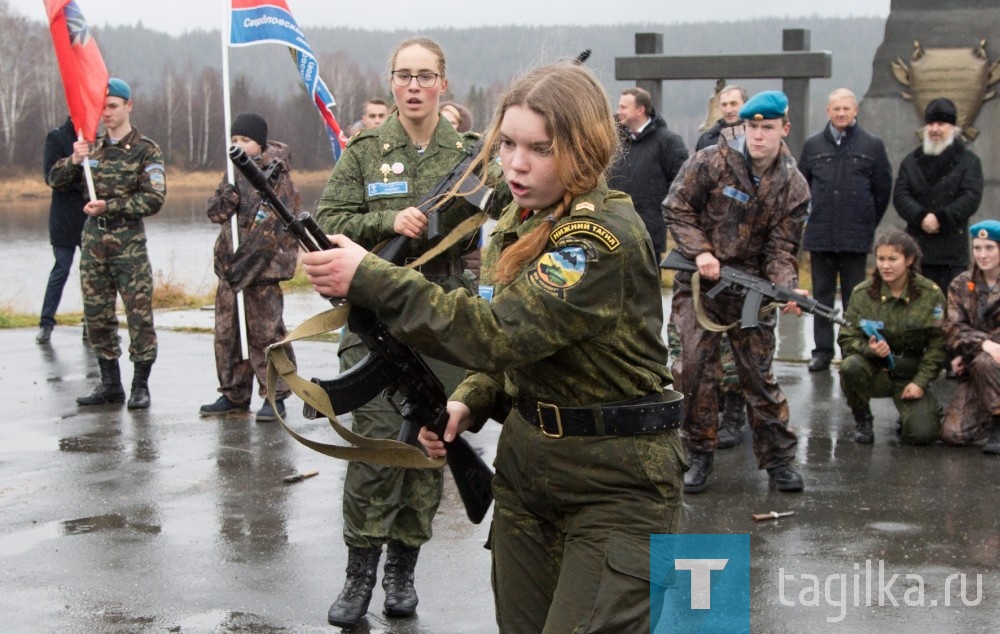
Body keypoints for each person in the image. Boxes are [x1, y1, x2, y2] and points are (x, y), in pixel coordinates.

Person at [303, 59, 683, 634]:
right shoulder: (522, 217)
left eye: (540, 148)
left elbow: (496, 329)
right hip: (528, 478)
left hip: (614, 486)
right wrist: (471, 401)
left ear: (586, 148)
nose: (515, 163)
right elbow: (521, 350)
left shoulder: (596, 239)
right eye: (506, 143)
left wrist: (370, 277)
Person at [312, 37, 507, 629]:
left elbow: (511, 199)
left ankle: (403, 571)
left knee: (431, 441)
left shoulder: (472, 154)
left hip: (445, 316)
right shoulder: (367, 151)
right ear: (392, 83)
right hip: (377, 315)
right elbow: (329, 224)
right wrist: (386, 221)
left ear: (443, 84)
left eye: (425, 76)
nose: (414, 85)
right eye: (404, 75)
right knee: (374, 447)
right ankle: (359, 575)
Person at [665, 90, 809, 494]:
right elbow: (676, 206)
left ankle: (779, 461)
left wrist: (787, 289)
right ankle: (697, 455)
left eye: (767, 128)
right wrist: (701, 251)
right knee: (693, 370)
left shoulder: (793, 186)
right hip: (700, 284)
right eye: (752, 127)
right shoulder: (711, 160)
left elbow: (782, 249)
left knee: (758, 377)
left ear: (785, 128)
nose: (758, 136)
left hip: (750, 291)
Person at [48, 78, 165, 410]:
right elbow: (54, 181)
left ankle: (140, 385)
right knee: (97, 316)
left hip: (128, 244)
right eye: (101, 107)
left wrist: (111, 206)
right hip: (94, 242)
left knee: (139, 316)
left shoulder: (146, 149)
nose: (106, 113)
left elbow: (154, 198)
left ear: (129, 105)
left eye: (113, 106)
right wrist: (73, 159)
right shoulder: (91, 148)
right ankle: (110, 383)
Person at [198, 113, 301, 422]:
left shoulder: (276, 174)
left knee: (266, 332)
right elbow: (215, 214)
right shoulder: (231, 172)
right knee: (227, 333)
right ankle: (233, 391)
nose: (239, 146)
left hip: (261, 271)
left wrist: (243, 268)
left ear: (260, 142)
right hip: (231, 269)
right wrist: (225, 200)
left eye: (245, 140)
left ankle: (275, 395)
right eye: (234, 141)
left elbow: (271, 228)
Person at [799, 88, 893, 372]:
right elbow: (802, 188)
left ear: (855, 111)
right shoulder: (813, 145)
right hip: (821, 235)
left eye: (846, 109)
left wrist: (866, 222)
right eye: (836, 109)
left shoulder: (871, 145)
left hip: (855, 236)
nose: (841, 114)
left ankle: (853, 349)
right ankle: (822, 351)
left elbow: (882, 189)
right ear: (828, 111)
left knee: (856, 297)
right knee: (821, 297)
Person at [837, 231, 946, 445]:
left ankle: (917, 414)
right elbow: (846, 338)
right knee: (850, 366)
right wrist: (870, 350)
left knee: (922, 436)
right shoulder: (863, 294)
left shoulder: (930, 294)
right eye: (881, 259)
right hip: (874, 370)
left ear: (909, 260)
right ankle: (863, 420)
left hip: (909, 374)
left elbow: (938, 344)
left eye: (893, 259)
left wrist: (920, 382)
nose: (885, 266)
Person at [893, 97, 983, 295]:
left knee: (951, 311)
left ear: (953, 128)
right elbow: (900, 195)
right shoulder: (911, 161)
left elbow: (971, 197)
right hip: (917, 249)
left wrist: (940, 218)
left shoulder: (968, 161)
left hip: (952, 251)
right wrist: (921, 217)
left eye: (941, 124)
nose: (934, 129)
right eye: (930, 124)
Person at [607, 86, 688, 257]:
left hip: (649, 228)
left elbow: (681, 184)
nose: (618, 111)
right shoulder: (612, 139)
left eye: (623, 107)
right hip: (612, 225)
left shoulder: (668, 141)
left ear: (640, 110)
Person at [941, 220, 1000, 452]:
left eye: (989, 248)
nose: (982, 254)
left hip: (990, 362)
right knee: (953, 434)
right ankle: (991, 410)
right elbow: (953, 328)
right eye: (977, 248)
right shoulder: (961, 284)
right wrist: (983, 344)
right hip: (980, 366)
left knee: (988, 360)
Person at [36, 116, 88, 345]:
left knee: (92, 273)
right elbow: (50, 177)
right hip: (64, 217)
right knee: (61, 269)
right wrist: (74, 163)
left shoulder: (95, 139)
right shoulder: (57, 137)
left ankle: (91, 322)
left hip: (89, 216)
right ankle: (46, 323)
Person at [694, 84, 747, 151]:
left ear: (745, 105)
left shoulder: (756, 135)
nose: (728, 110)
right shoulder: (706, 140)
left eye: (733, 104)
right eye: (724, 105)